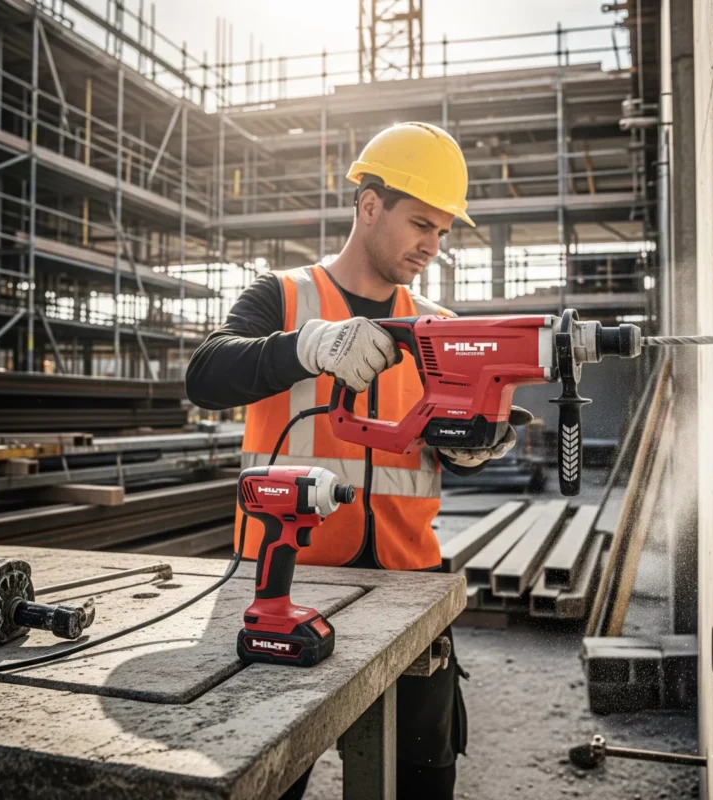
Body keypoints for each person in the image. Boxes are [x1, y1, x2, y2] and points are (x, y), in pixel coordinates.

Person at [186, 121, 532, 799]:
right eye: (420, 224)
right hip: (287, 585)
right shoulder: (283, 298)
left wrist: (472, 447)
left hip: (409, 589)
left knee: (421, 783)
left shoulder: (437, 322)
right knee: (265, 781)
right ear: (369, 206)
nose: (433, 245)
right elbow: (205, 376)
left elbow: (446, 442)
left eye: (443, 231)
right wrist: (305, 347)